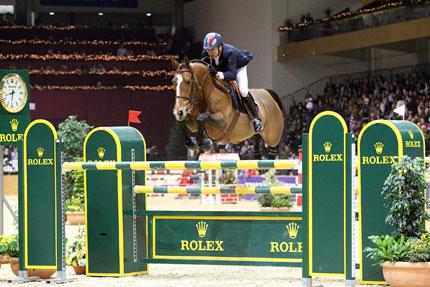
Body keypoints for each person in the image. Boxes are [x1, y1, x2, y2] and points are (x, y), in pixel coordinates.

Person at [201, 32, 263, 132]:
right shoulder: (206, 55)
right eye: (208, 50)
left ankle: (256, 118)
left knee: (243, 91)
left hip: (237, 69)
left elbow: (232, 75)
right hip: (222, 69)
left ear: (219, 47)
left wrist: (218, 74)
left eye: (212, 49)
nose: (210, 52)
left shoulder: (230, 52)